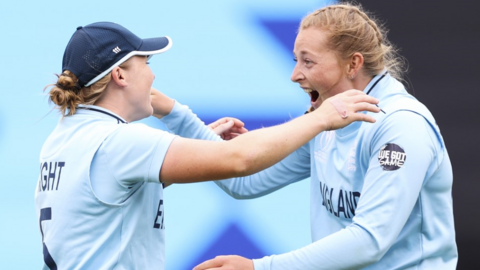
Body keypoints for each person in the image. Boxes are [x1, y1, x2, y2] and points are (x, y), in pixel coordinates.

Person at [34, 21, 380, 269]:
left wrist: (190, 135)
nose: (153, 75)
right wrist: (322, 117)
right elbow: (239, 160)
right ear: (120, 76)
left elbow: (113, 189)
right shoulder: (121, 142)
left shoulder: (66, 137)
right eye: (146, 63)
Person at [155, 3, 458, 270]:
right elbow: (242, 181)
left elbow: (369, 240)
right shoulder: (325, 119)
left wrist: (259, 268)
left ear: (353, 64)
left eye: (308, 61)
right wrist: (174, 114)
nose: (295, 74)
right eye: (295, 60)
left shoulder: (401, 126)